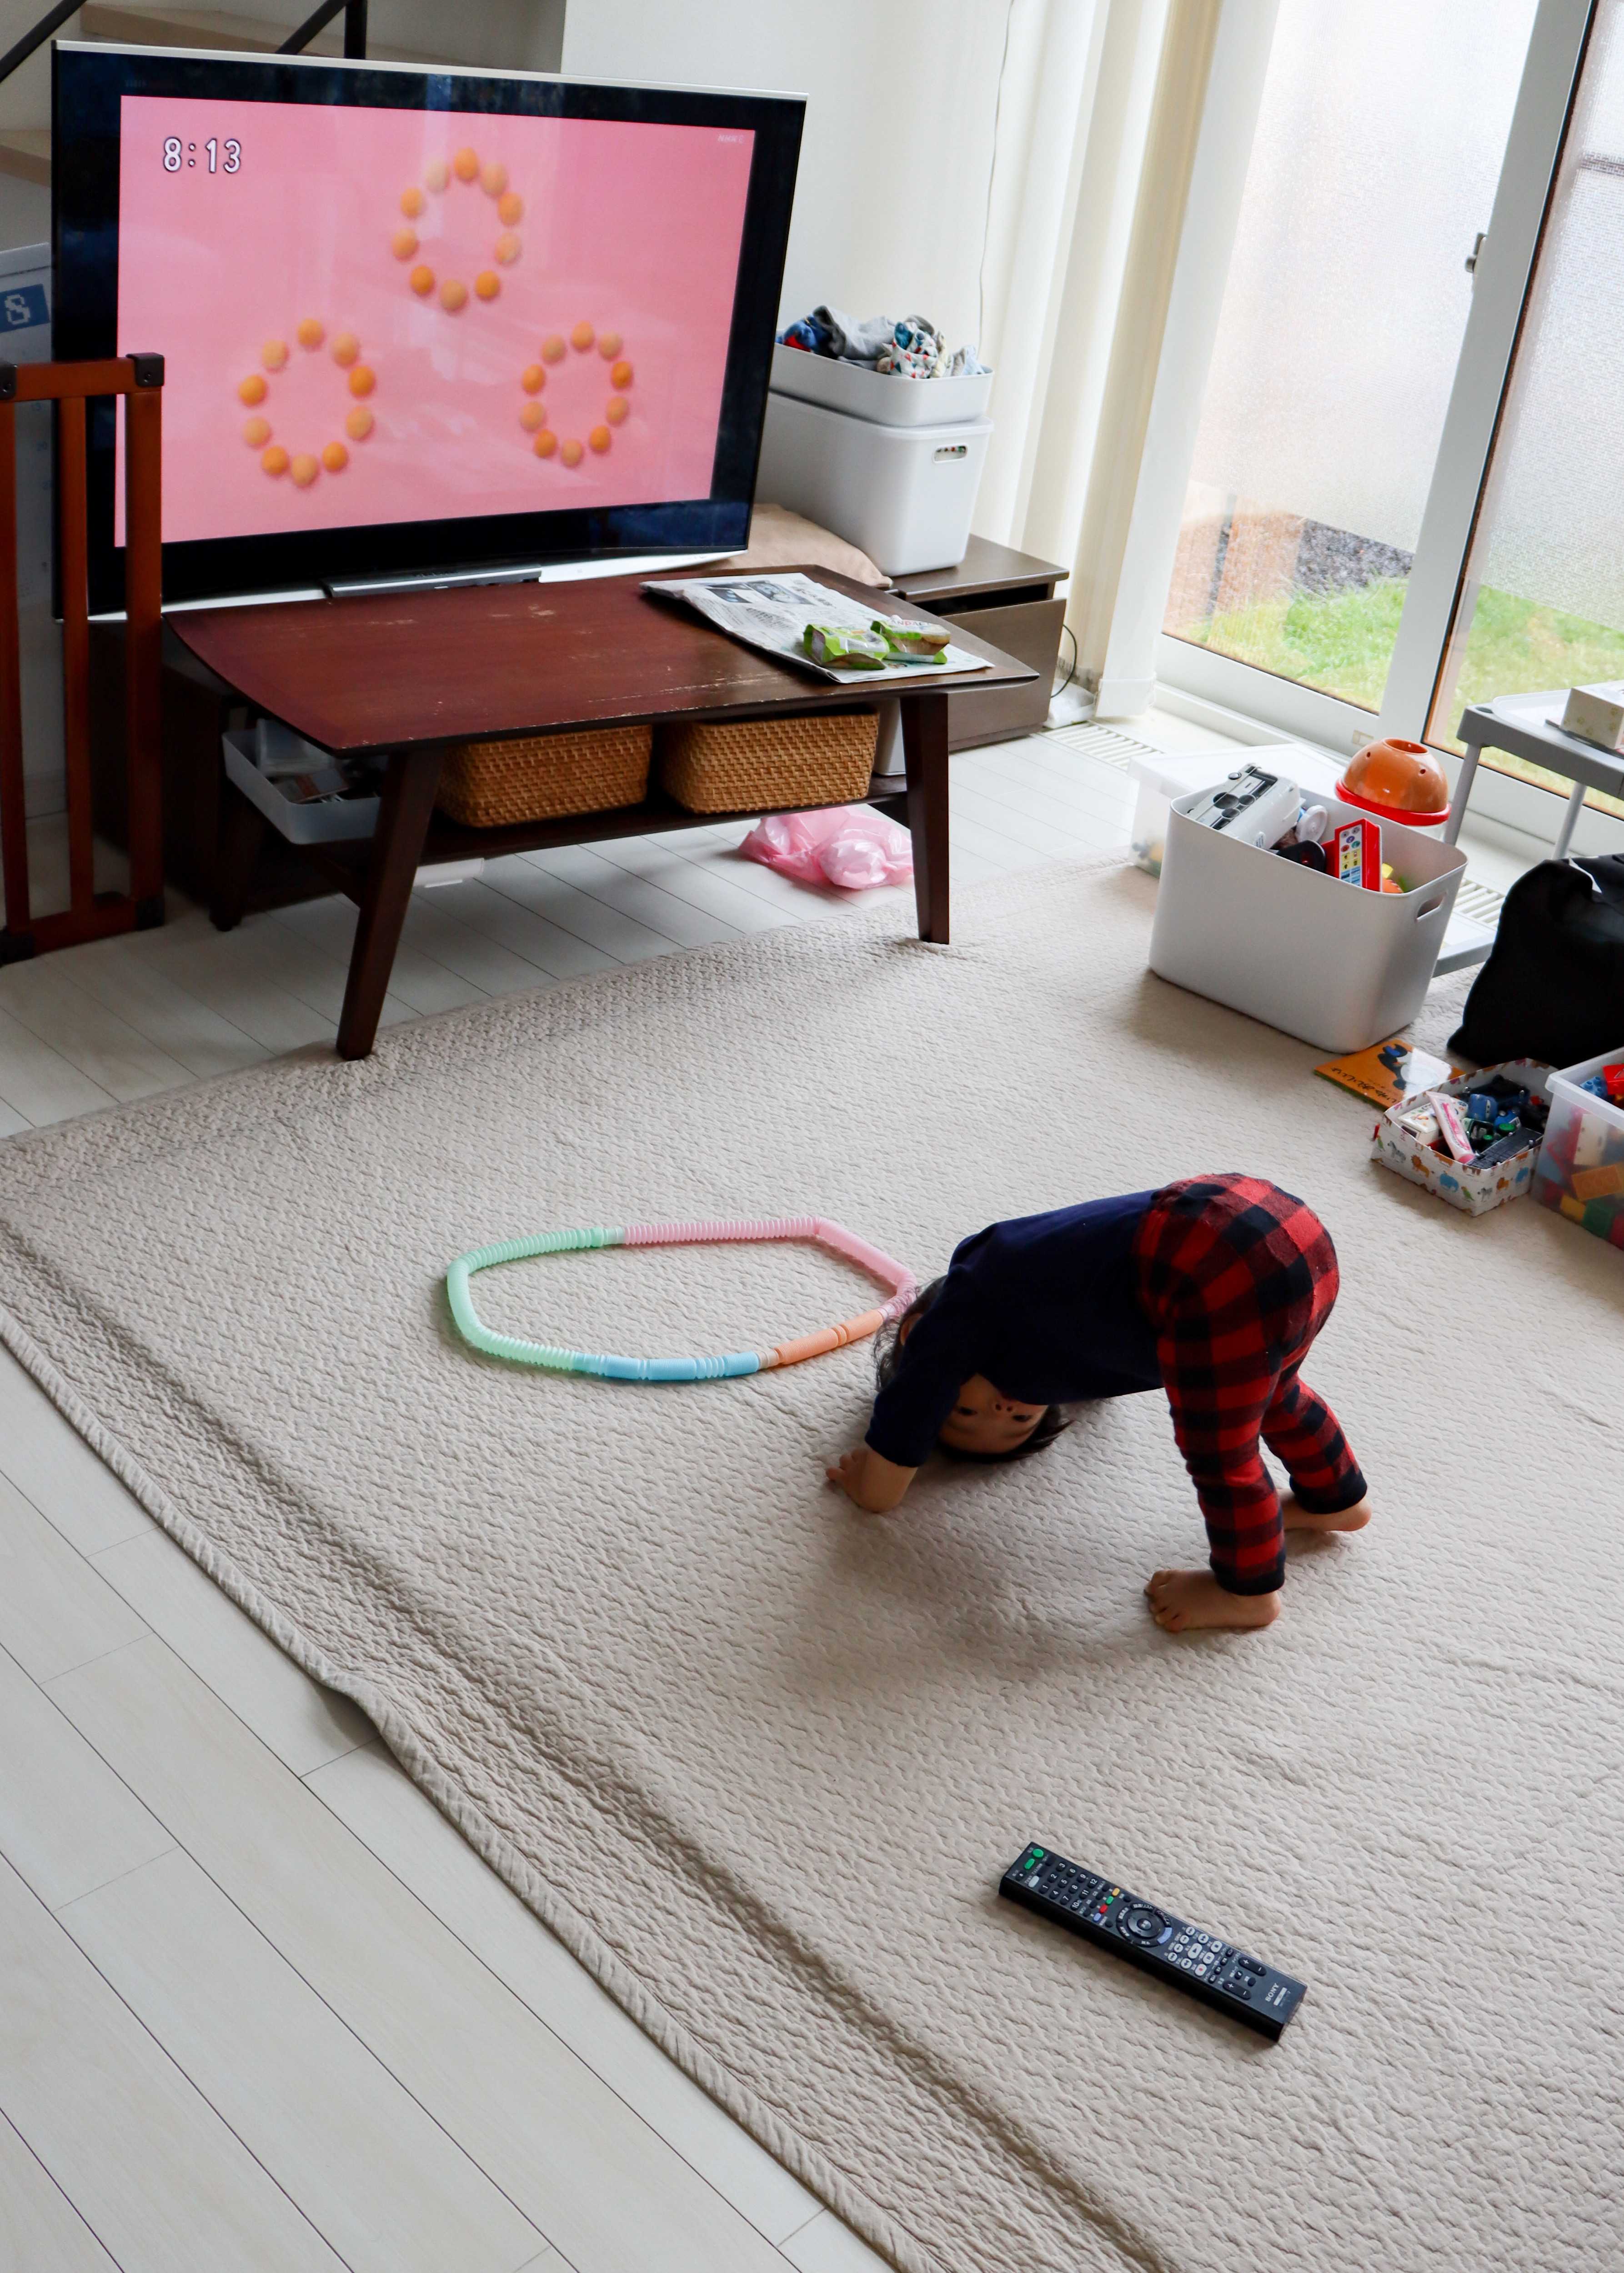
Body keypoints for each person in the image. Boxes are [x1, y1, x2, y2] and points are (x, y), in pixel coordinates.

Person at [825, 1175, 1369, 1633]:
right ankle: (1334, 1498)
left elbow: (911, 1410)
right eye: (1021, 1418)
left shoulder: (964, 1307)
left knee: (1219, 1450)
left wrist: (873, 1481)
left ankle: (1248, 1591)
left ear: (915, 1335)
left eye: (963, 1410)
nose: (1002, 1409)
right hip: (1274, 1225)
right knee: (1276, 1393)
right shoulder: (1063, 1335)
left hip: (1209, 1263)